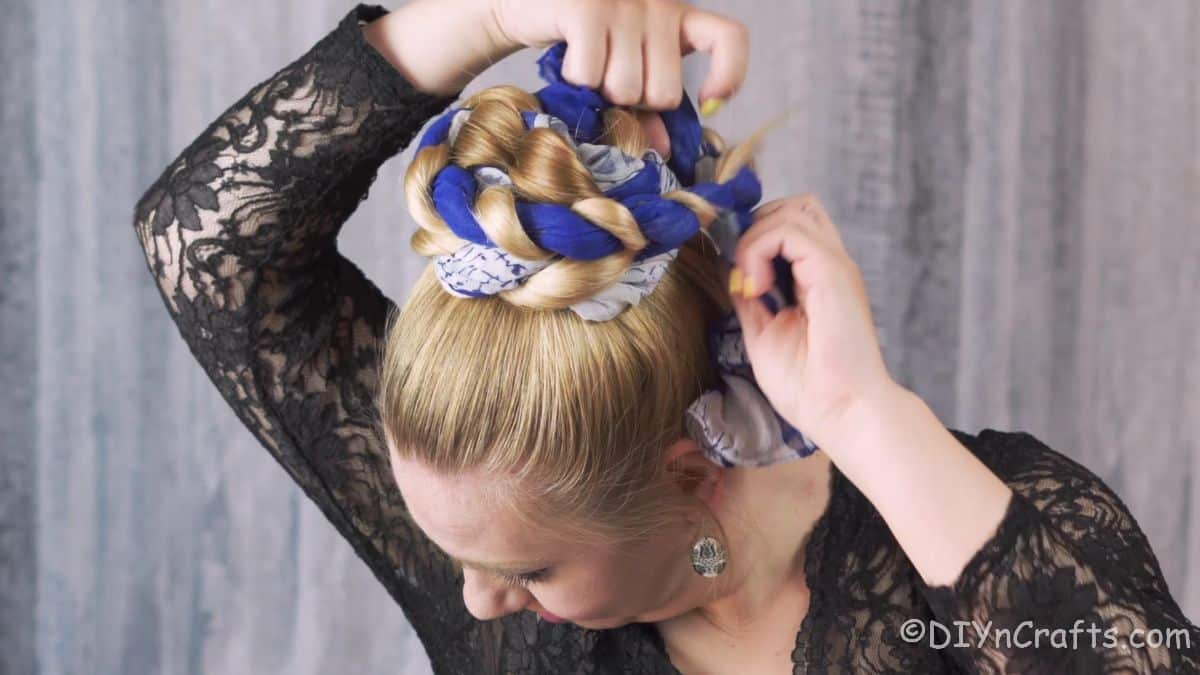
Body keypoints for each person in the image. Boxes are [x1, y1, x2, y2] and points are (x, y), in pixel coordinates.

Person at [131, 1, 1200, 672]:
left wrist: (867, 416)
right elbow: (206, 242)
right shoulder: (507, 583)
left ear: (690, 470)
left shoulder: (967, 549)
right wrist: (488, 14)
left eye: (533, 570)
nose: (475, 596)